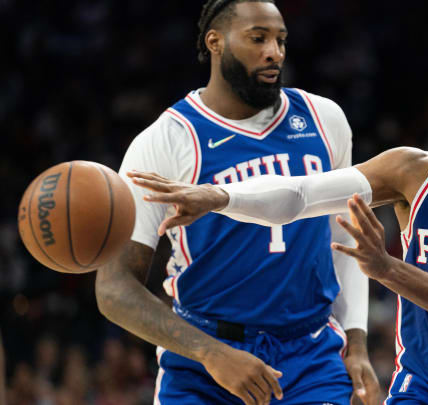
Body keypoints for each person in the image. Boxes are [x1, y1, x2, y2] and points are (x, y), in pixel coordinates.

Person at [128, 42, 428, 404]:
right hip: (423, 390)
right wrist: (219, 196)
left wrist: (387, 268)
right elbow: (302, 193)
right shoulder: (414, 171)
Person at [95, 1, 379, 404]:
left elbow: (348, 241)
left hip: (311, 354)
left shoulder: (324, 119)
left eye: (280, 40)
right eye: (258, 38)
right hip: (203, 361)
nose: (274, 52)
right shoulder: (166, 140)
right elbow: (114, 289)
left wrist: (358, 343)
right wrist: (209, 353)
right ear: (215, 42)